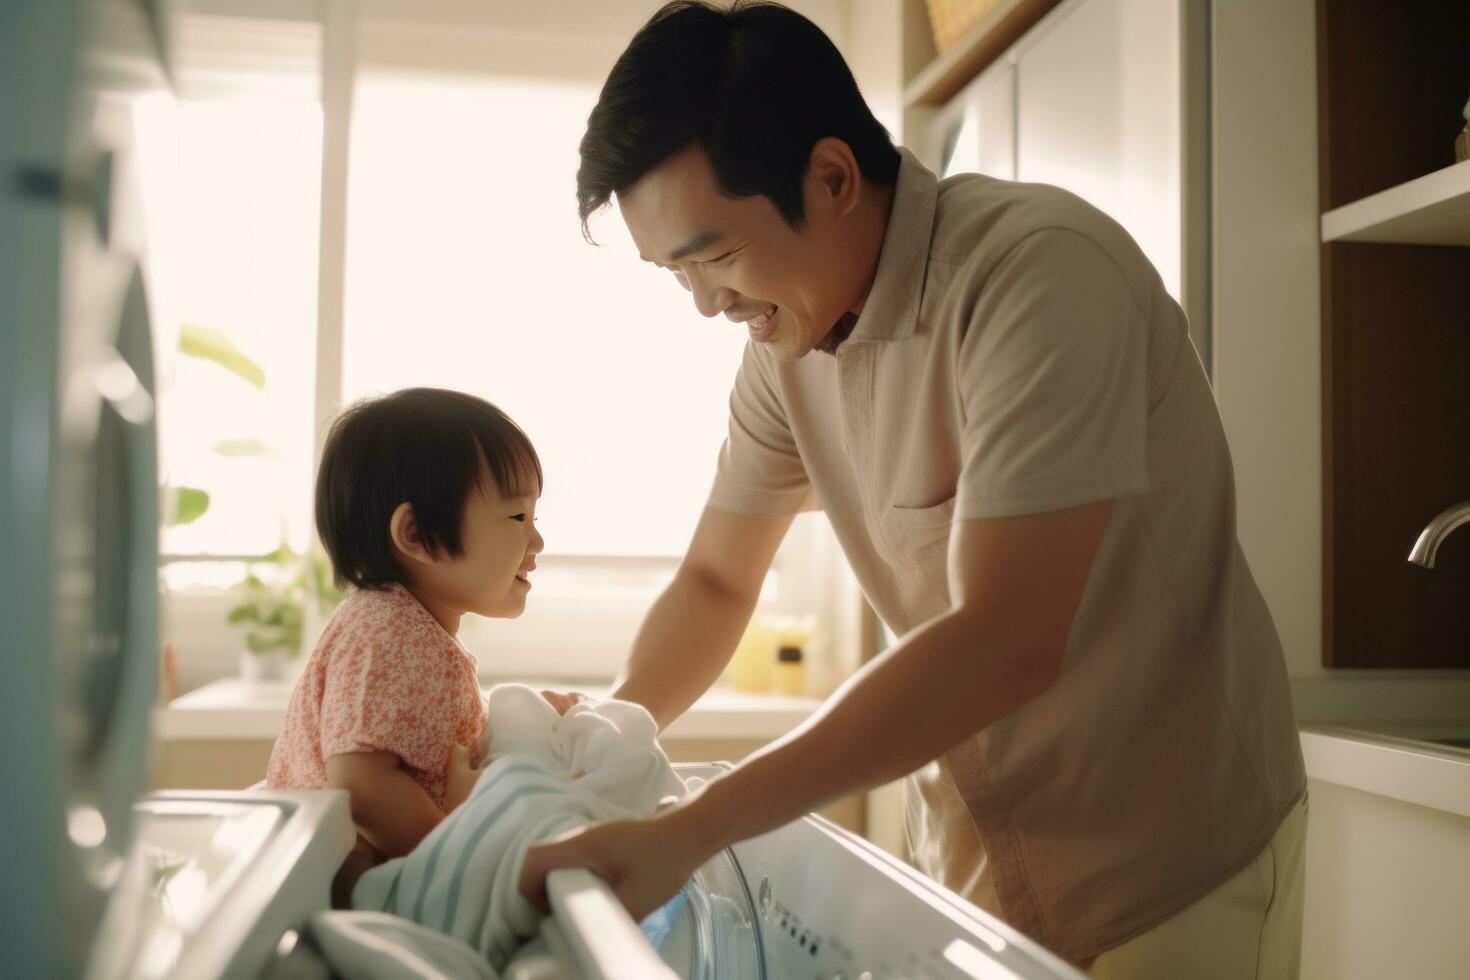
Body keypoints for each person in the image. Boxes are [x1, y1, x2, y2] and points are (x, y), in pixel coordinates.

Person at [520, 2, 1307, 977]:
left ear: (834, 176)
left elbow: (1005, 635)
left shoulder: (1037, 278)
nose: (707, 304)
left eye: (714, 256)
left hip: (1166, 857)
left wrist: (693, 828)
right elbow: (720, 581)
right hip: (976, 855)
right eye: (675, 274)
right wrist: (607, 738)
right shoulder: (785, 347)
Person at [268, 388, 550, 865]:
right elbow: (360, 784)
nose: (537, 539)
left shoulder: (413, 631)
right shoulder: (382, 631)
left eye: (535, 516)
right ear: (416, 535)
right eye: (518, 516)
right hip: (344, 877)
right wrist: (460, 856)